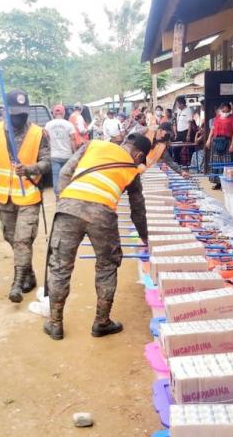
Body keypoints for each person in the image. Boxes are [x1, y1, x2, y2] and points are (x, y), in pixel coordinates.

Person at [43, 133, 152, 340]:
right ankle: (102, 322)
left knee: (60, 266)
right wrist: (144, 236)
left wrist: (64, 201)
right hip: (102, 216)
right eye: (141, 159)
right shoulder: (132, 169)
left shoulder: (93, 145)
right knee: (106, 267)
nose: (139, 162)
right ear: (138, 154)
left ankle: (55, 323)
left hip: (68, 210)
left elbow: (65, 171)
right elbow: (138, 209)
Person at [0, 89, 51, 302]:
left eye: (22, 113)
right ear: (5, 111)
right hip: (4, 197)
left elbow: (47, 162)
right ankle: (28, 273)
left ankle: (17, 282)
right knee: (11, 238)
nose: (19, 117)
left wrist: (29, 169)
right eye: (14, 113)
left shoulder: (40, 133)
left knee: (22, 240)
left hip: (28, 196)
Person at [45, 104, 78, 197]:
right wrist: (75, 153)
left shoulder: (48, 125)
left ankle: (58, 196)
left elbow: (46, 137)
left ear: (53, 113)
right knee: (67, 176)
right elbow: (73, 140)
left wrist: (51, 145)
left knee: (56, 177)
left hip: (54, 156)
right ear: (63, 113)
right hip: (67, 155)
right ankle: (68, 195)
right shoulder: (69, 124)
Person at [205, 102, 233, 189]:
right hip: (216, 142)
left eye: (226, 108)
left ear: (229, 109)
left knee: (226, 163)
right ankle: (217, 183)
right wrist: (208, 140)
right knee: (216, 162)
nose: (224, 110)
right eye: (223, 108)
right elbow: (212, 129)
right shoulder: (217, 117)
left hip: (227, 142)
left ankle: (225, 184)